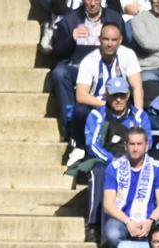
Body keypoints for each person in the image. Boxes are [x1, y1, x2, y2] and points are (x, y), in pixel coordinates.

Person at [48, 0, 124, 142]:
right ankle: (69, 127)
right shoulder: (69, 19)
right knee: (60, 73)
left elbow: (125, 47)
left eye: (96, 0)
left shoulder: (114, 17)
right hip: (77, 68)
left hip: (108, 67)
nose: (93, 3)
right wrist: (71, 39)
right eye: (89, 0)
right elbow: (57, 52)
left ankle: (119, 126)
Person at [68, 22, 143, 163]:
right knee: (79, 110)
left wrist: (139, 115)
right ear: (99, 39)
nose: (109, 44)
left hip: (122, 102)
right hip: (98, 104)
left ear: (120, 40)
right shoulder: (89, 61)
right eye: (106, 39)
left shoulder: (128, 55)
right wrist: (107, 105)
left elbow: (137, 87)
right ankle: (79, 147)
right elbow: (81, 95)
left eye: (114, 40)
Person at [99, 126, 159, 248]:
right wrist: (128, 222)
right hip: (121, 219)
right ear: (125, 145)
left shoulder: (157, 168)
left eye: (139, 144)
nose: (135, 149)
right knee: (113, 234)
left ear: (147, 146)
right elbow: (108, 206)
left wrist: (150, 221)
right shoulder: (113, 168)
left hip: (149, 217)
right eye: (132, 144)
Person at [85, 75, 151, 171]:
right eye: (114, 95)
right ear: (106, 96)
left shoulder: (140, 116)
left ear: (128, 95)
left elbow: (147, 143)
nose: (118, 99)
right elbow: (92, 145)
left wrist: (132, 160)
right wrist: (112, 159)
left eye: (122, 95)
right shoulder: (96, 115)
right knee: (98, 169)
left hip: (134, 159)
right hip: (106, 160)